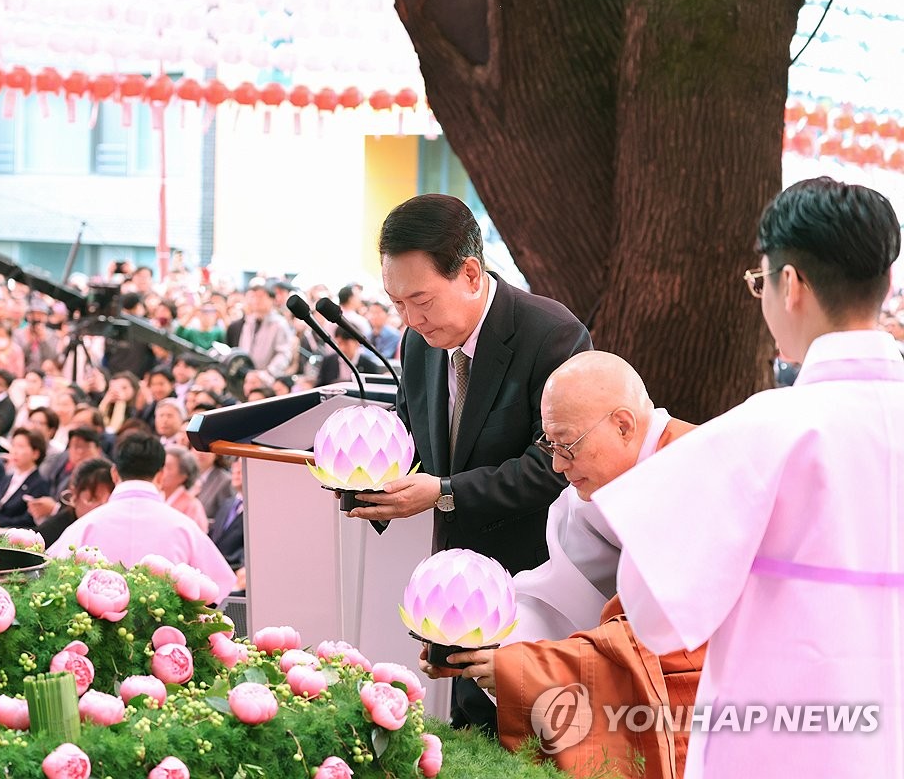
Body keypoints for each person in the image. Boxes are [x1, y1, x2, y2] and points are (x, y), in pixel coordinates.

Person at [592, 178, 904, 778]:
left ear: (791, 285)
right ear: (886, 283)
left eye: (760, 282)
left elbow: (652, 617)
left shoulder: (763, 431)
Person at [350, 193, 592, 732]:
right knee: (466, 734)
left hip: (536, 587)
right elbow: (412, 446)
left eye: (422, 300)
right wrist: (373, 484)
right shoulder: (419, 344)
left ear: (469, 272)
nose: (410, 320)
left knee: (530, 746)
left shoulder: (550, 335)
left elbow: (551, 465)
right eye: (396, 304)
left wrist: (443, 490)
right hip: (455, 590)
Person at [426, 352, 701, 776]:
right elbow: (557, 595)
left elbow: (662, 652)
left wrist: (523, 671)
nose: (557, 465)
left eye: (567, 446)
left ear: (624, 425)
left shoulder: (693, 474)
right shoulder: (597, 488)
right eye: (549, 446)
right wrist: (482, 640)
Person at [49, 432, 236, 598]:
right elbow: (220, 585)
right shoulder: (184, 528)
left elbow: (50, 577)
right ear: (161, 476)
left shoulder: (85, 525)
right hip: (168, 634)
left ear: (114, 474)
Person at [0, 427, 50, 530]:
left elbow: (28, 520)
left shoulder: (40, 483)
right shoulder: (8, 478)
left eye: (20, 447)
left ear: (35, 453)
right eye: (13, 445)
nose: (14, 451)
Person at [37, 457, 116, 545]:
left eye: (109, 501)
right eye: (92, 499)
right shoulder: (51, 533)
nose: (101, 508)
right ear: (74, 494)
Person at [159, 445, 209, 531]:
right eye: (161, 466)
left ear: (183, 476)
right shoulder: (157, 497)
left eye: (168, 468)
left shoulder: (193, 507)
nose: (161, 472)